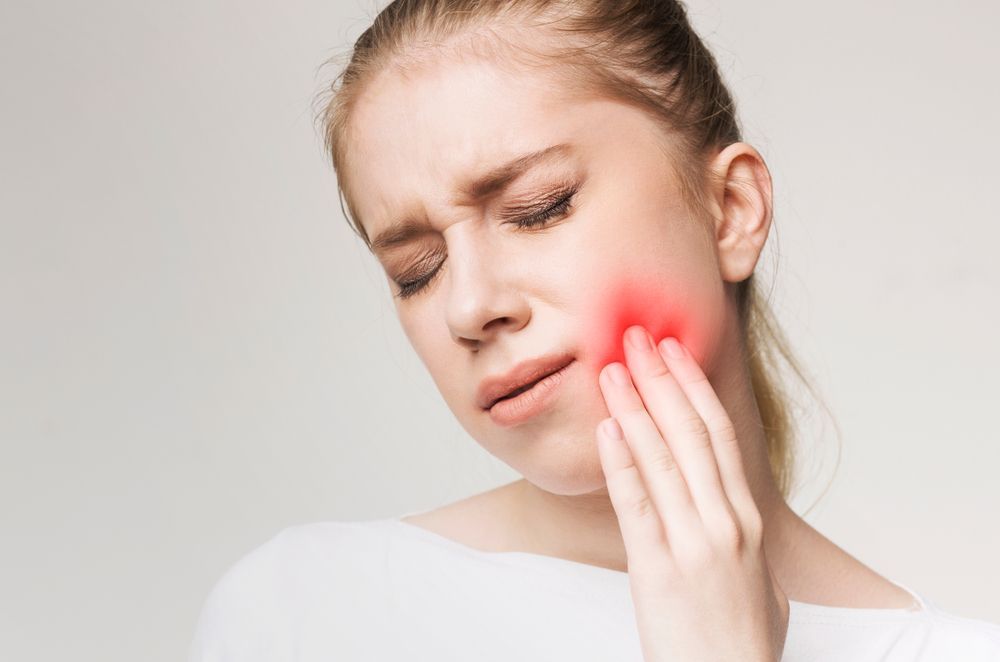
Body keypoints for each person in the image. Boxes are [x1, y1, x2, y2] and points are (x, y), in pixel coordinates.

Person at [189, 1, 1000, 660]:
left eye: (538, 209)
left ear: (731, 211)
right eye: (417, 270)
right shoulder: (305, 613)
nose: (470, 307)